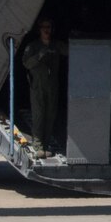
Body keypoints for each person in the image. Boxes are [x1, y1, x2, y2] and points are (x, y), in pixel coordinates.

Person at [19, 19, 65, 154]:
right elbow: (27, 63)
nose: (46, 30)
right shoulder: (33, 47)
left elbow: (68, 50)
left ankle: (44, 145)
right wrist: (40, 55)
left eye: (49, 27)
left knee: (50, 116)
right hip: (38, 87)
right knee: (39, 115)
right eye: (44, 27)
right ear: (39, 30)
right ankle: (38, 146)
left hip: (52, 86)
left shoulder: (55, 45)